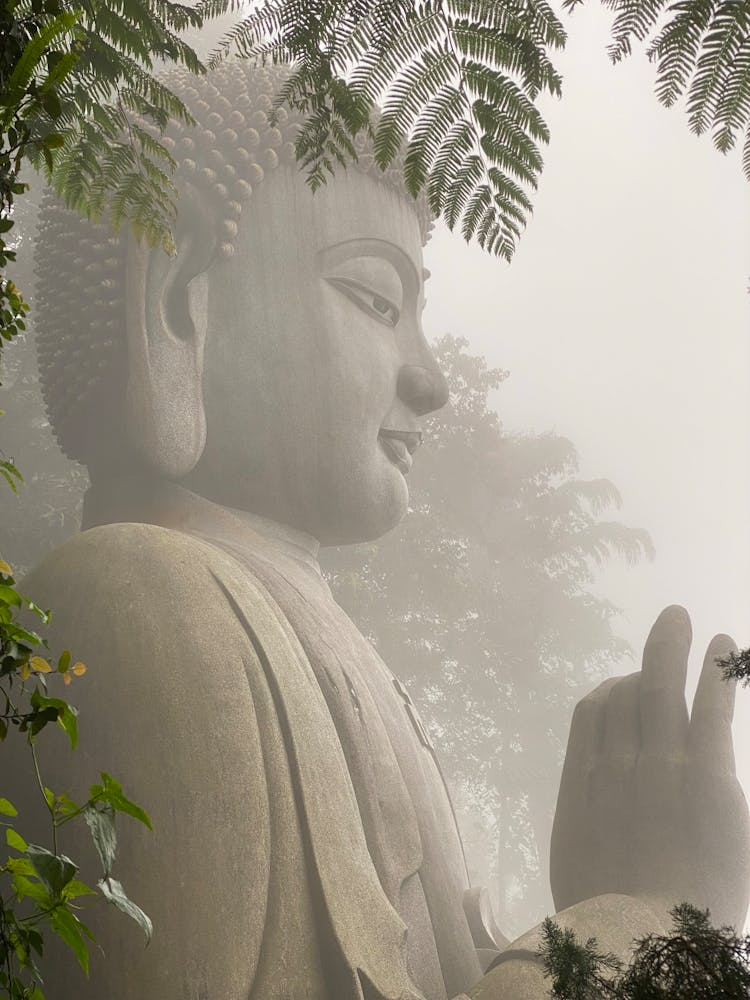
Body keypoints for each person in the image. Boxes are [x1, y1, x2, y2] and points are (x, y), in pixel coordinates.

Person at [22, 61, 748, 999]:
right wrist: (644, 916)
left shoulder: (330, 652)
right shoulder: (132, 598)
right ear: (175, 302)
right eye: (374, 297)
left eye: (417, 312)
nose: (430, 376)